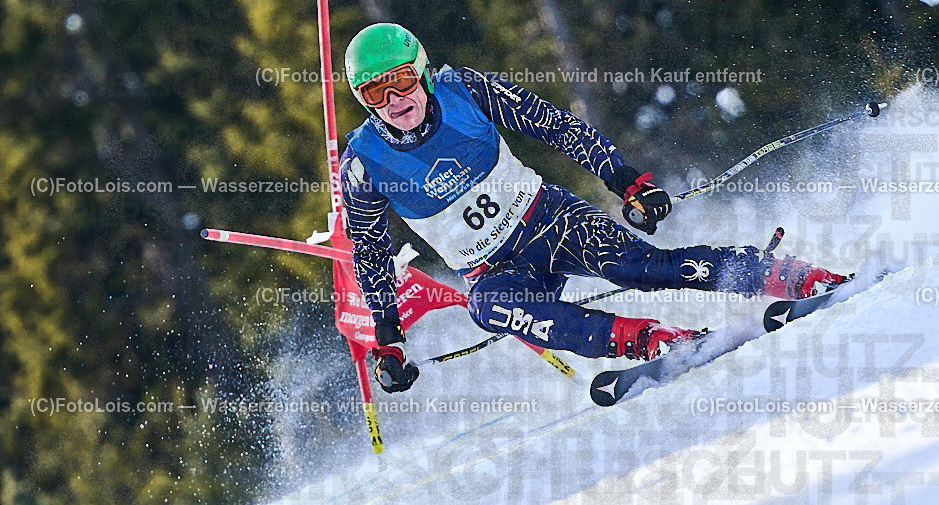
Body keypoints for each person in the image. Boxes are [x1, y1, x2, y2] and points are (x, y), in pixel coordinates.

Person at [340, 23, 847, 393]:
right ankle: (650, 341)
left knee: (637, 268)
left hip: (547, 219)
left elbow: (554, 124)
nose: (392, 101)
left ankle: (782, 275)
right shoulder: (363, 165)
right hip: (494, 270)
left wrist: (624, 180)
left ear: (423, 73)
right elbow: (369, 252)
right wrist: (388, 335)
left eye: (401, 81)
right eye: (374, 91)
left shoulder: (463, 91)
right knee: (486, 308)